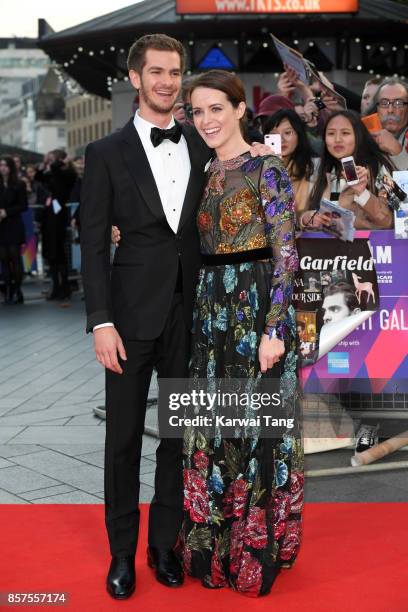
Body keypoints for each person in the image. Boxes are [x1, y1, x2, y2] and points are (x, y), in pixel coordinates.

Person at [80, 33, 213, 600]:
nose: (166, 81)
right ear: (134, 78)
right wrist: (100, 321)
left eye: (175, 71)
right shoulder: (105, 153)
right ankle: (120, 555)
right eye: (155, 71)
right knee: (123, 440)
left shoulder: (203, 145)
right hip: (130, 319)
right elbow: (90, 244)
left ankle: (164, 546)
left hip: (193, 314)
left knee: (177, 438)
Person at [181, 70, 303, 597]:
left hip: (256, 313)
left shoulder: (266, 168)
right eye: (197, 111)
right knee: (216, 428)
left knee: (256, 430)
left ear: (237, 110)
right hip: (212, 314)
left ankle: (256, 552)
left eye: (215, 109)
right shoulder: (203, 170)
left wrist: (275, 328)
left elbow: (288, 253)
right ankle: (214, 546)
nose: (205, 119)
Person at [300, 110, 399, 230]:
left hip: (370, 246)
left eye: (345, 133)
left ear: (358, 136)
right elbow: (302, 216)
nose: (337, 139)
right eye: (331, 134)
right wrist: (307, 219)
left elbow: (390, 221)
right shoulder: (321, 169)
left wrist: (363, 193)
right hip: (326, 247)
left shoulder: (381, 167)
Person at [36, 150, 77, 300]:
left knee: (58, 251)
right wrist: (43, 163)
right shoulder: (54, 172)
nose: (50, 162)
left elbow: (55, 170)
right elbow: (39, 177)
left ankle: (64, 285)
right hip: (50, 216)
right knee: (51, 252)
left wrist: (63, 162)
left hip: (59, 216)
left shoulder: (68, 174)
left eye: (53, 159)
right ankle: (56, 285)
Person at [263, 109, 316, 224]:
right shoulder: (259, 169)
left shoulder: (314, 168)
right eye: (274, 135)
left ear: (299, 135)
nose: (281, 140)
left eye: (287, 133)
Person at [0, 156, 28, 304]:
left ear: (10, 167)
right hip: (2, 227)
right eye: (0, 165)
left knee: (15, 258)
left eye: (5, 165)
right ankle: (8, 290)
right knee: (4, 259)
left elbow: (23, 205)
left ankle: (17, 289)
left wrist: (7, 212)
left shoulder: (19, 184)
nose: (2, 168)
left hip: (13, 225)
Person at [371, 77, 408, 170]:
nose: (390, 110)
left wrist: (397, 152)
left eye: (398, 103)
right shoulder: (364, 137)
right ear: (376, 108)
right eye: (384, 103)